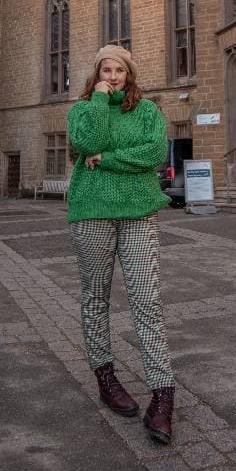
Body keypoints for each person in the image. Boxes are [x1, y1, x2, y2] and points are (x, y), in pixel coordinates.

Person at [67, 45, 176, 444]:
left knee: (146, 300)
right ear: (96, 74)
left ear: (129, 75)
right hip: (91, 212)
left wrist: (106, 158)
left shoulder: (146, 111)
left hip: (138, 211)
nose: (112, 76)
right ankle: (106, 377)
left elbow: (153, 153)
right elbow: (87, 141)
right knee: (96, 298)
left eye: (119, 71)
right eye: (105, 70)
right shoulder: (81, 110)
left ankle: (163, 396)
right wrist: (97, 100)